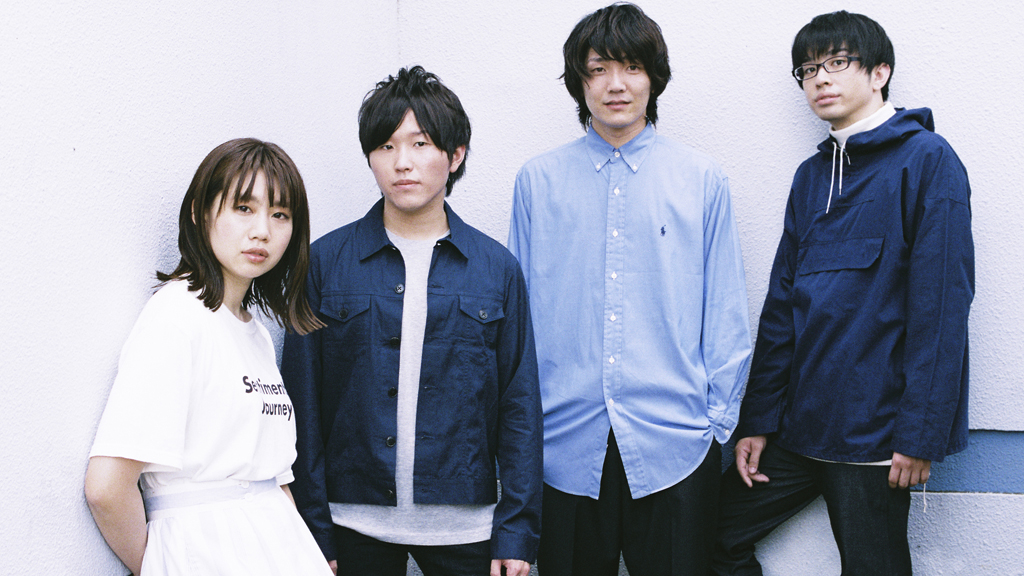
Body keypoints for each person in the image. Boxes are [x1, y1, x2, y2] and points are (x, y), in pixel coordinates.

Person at [712, 11, 974, 576]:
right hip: (798, 428)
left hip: (877, 438)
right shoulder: (811, 177)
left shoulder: (928, 161)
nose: (820, 79)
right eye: (808, 70)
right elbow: (781, 309)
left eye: (836, 62)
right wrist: (757, 421)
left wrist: (920, 435)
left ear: (879, 73)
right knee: (708, 538)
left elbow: (942, 309)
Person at [507, 4, 752, 575]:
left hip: (676, 442)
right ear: (579, 82)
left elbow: (725, 309)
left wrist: (716, 423)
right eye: (598, 70)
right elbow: (517, 318)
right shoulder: (538, 182)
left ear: (653, 78)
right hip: (562, 442)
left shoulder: (701, 179)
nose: (615, 85)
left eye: (631, 67)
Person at [282, 66, 542, 576]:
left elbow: (520, 407)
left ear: (455, 155)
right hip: (351, 526)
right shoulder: (324, 263)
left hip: (466, 530)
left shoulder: (496, 269)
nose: (402, 162)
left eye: (420, 143)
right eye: (386, 146)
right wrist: (313, 529)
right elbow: (302, 406)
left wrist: (517, 531)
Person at [84, 138, 332, 576]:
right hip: (207, 552)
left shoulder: (254, 332)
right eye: (243, 208)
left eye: (280, 214)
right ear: (199, 212)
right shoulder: (177, 316)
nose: (262, 231)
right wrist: (158, 564)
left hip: (281, 549)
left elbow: (272, 477)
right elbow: (106, 487)